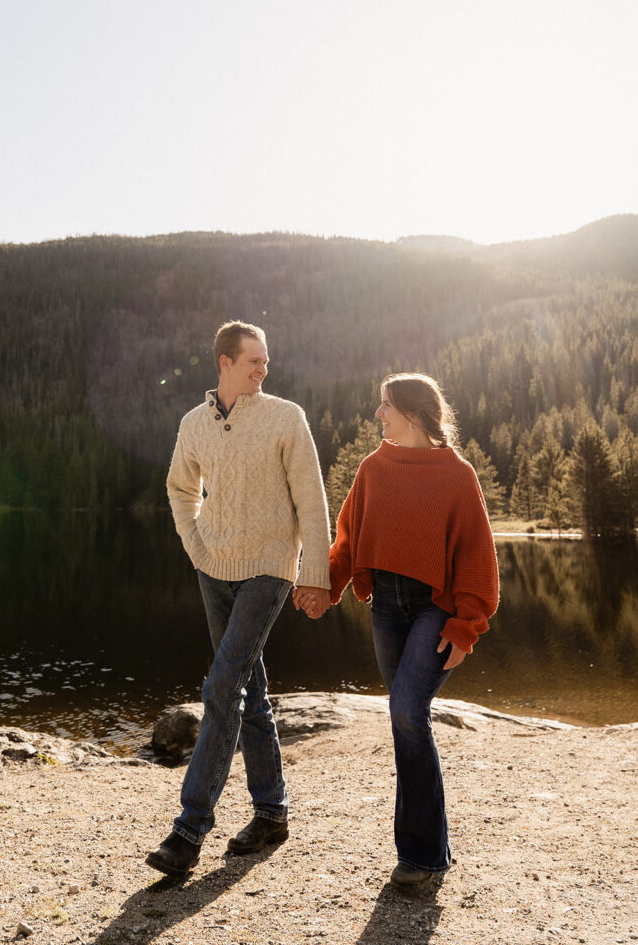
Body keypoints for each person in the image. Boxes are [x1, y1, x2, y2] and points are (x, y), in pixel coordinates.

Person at [294, 372, 499, 887]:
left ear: (412, 413)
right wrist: (324, 584)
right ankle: (431, 850)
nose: (378, 415)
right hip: (386, 605)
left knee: (408, 710)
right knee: (406, 719)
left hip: (435, 606)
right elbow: (348, 538)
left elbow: (477, 555)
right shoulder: (373, 468)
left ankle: (422, 857)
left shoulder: (457, 474)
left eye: (385, 406)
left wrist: (465, 626)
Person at [146, 321, 331, 878]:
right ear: (224, 362)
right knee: (248, 688)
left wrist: (314, 573)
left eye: (266, 361)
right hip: (213, 567)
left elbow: (312, 498)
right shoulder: (194, 424)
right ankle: (272, 812)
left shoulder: (284, 417)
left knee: (223, 684)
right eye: (253, 360)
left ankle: (188, 829)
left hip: (270, 568)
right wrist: (196, 542)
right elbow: (181, 488)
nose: (263, 369)